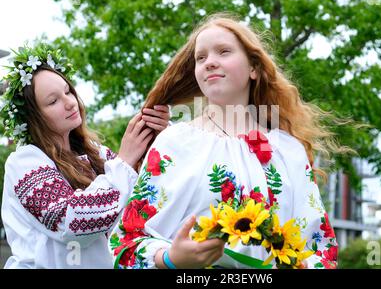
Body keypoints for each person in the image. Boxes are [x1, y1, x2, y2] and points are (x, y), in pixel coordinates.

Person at [110, 14, 347, 269]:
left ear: (254, 68)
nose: (210, 62)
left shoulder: (288, 150)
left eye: (223, 52)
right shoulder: (174, 143)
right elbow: (125, 244)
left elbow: (320, 249)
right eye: (201, 58)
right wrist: (170, 259)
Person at [0, 43, 170, 268]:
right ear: (34, 118)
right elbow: (71, 223)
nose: (70, 102)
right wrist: (125, 161)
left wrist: (160, 139)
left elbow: (148, 199)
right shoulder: (25, 161)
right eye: (53, 101)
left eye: (68, 91)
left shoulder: (95, 153)